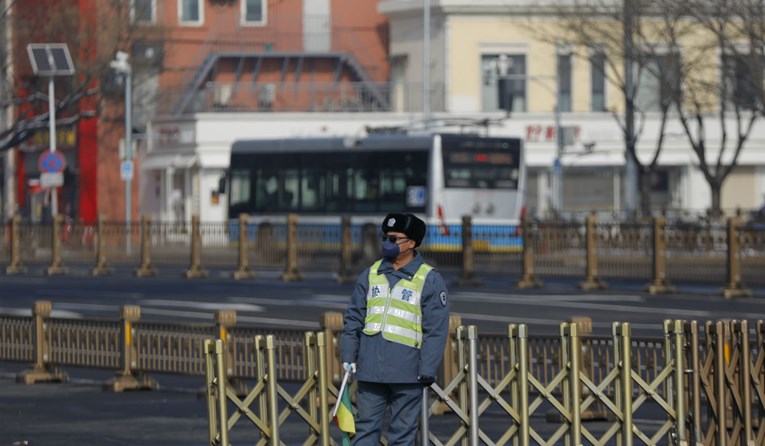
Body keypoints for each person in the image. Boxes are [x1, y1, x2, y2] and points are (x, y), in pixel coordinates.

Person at [340, 213, 450, 445]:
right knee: (365, 431)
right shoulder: (370, 274)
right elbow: (353, 319)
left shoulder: (428, 279)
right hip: (370, 371)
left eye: (394, 238)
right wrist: (348, 355)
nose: (387, 242)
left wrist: (427, 369)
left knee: (402, 434)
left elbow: (436, 330)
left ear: (411, 243)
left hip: (408, 373)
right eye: (385, 237)